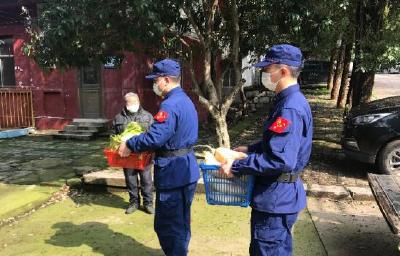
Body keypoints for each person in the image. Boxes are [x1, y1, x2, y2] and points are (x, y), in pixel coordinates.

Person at [220, 44, 313, 256]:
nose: (265, 74)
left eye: (267, 69)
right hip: (278, 197)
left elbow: (281, 159)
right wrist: (249, 149)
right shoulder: (288, 101)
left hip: (276, 199)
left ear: (283, 71)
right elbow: (277, 143)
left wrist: (237, 166)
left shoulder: (289, 108)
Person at [118, 59, 199, 256]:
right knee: (181, 220)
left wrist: (130, 143)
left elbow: (155, 137)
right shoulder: (185, 100)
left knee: (168, 226)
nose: (154, 84)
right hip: (187, 168)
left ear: (165, 79)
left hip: (173, 172)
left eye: (156, 80)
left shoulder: (170, 105)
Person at [113, 92, 155, 214]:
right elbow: (114, 135)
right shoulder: (118, 118)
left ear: (139, 102)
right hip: (127, 156)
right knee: (130, 180)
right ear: (125, 103)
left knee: (146, 180)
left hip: (144, 154)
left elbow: (153, 135)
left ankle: (148, 203)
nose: (132, 105)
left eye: (134, 102)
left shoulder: (148, 116)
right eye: (129, 103)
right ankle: (134, 203)